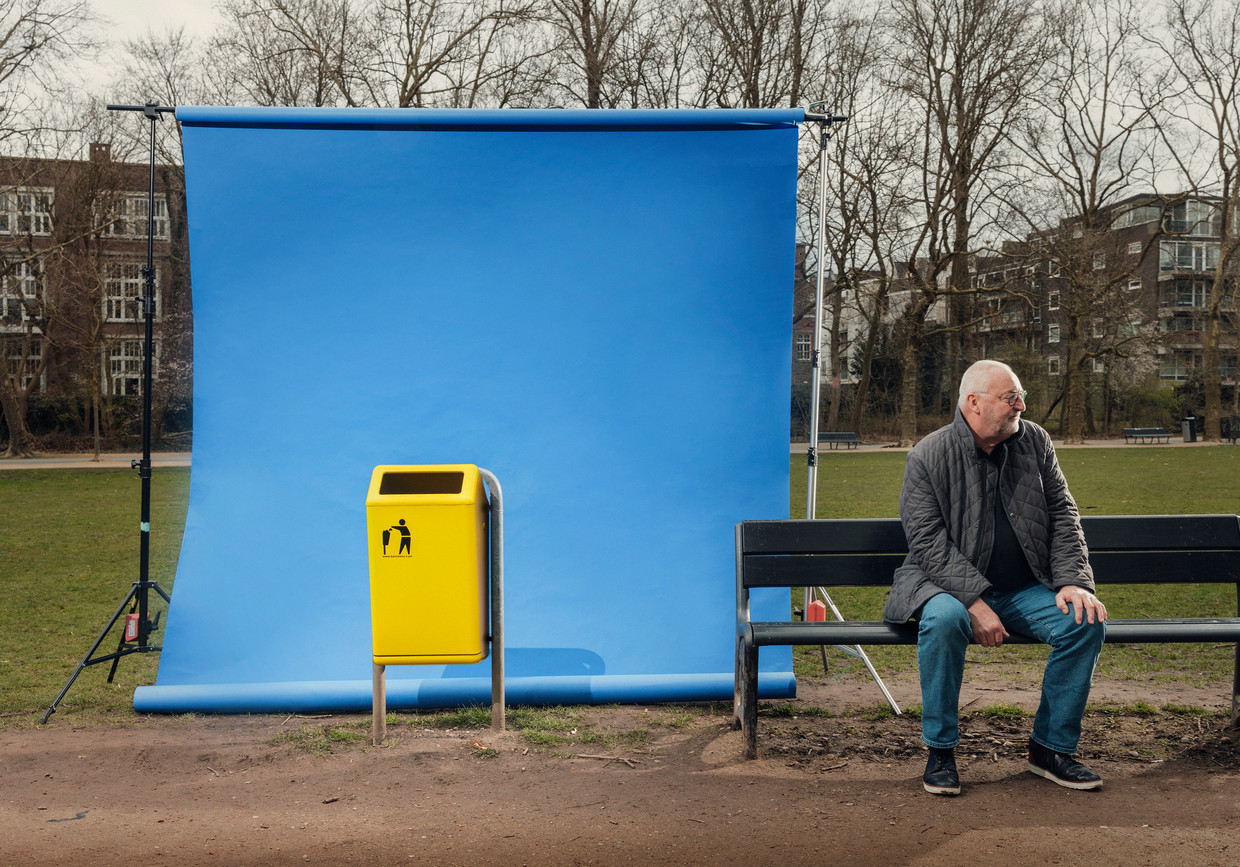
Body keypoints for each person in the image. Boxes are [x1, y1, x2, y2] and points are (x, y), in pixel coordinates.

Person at [883, 359, 1107, 796]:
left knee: (1085, 620)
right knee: (945, 620)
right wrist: (974, 602)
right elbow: (927, 542)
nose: (1021, 405)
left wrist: (1072, 581)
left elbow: (1063, 513)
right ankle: (941, 750)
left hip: (1026, 588)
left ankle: (1050, 749)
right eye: (1011, 397)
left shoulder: (1035, 442)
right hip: (942, 587)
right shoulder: (928, 455)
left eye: (1020, 396)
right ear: (974, 402)